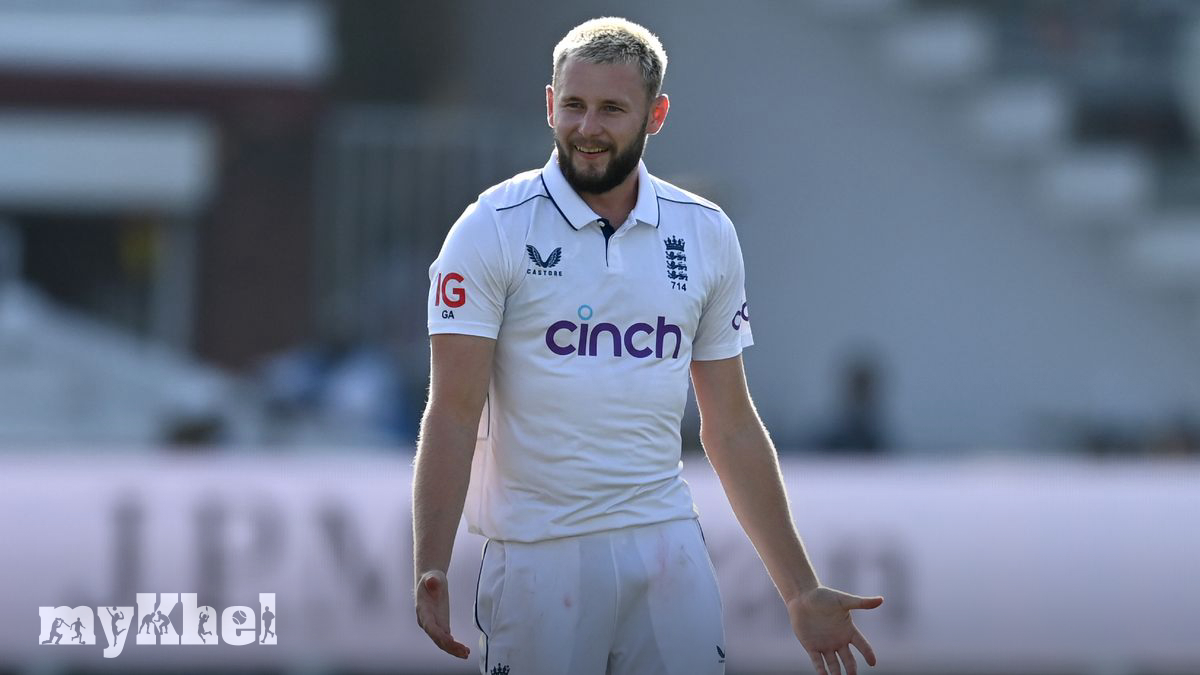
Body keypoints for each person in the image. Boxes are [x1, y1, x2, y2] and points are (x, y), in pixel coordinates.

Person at [413, 17, 882, 675]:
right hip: (537, 557)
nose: (587, 127)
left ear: (655, 114)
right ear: (550, 103)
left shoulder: (706, 232)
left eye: (611, 108)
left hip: (666, 548)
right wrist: (431, 560)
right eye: (573, 105)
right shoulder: (490, 228)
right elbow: (453, 411)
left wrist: (800, 587)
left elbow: (732, 425)